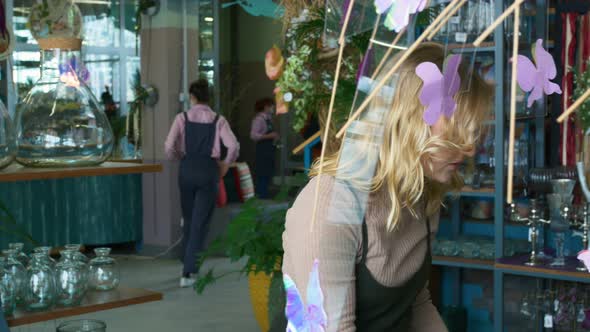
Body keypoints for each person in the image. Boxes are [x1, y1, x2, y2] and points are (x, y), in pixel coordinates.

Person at [281, 43, 492, 330]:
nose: (469, 149)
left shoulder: (421, 193)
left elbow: (417, 303)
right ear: (408, 122)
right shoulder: (329, 206)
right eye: (456, 131)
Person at [165, 79, 239, 288]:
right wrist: (225, 164)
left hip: (187, 169)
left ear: (192, 97)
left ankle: (185, 261)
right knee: (200, 222)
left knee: (188, 219)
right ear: (209, 97)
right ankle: (188, 272)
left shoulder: (182, 118)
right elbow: (233, 145)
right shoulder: (219, 120)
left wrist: (179, 156)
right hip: (208, 171)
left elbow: (169, 146)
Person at [250, 97, 279, 199]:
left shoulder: (268, 119)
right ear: (266, 107)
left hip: (269, 149)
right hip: (262, 149)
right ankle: (261, 194)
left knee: (268, 171)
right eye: (271, 106)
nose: (273, 108)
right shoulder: (259, 119)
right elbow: (253, 135)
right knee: (262, 171)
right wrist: (269, 136)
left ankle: (265, 192)